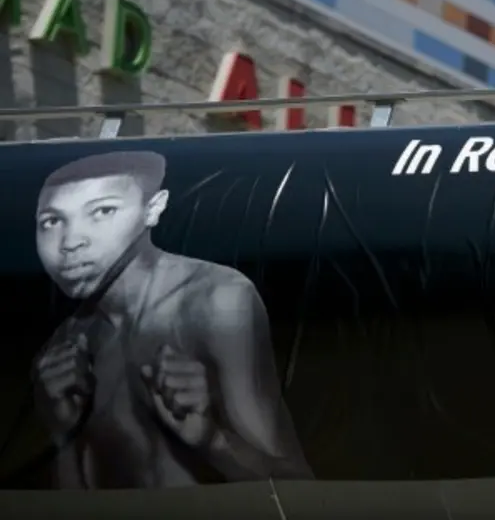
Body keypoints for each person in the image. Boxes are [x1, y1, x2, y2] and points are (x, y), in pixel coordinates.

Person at [30, 151, 313, 489]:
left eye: (103, 211)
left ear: (154, 208)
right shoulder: (64, 348)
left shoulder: (215, 300)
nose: (71, 243)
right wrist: (62, 434)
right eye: (52, 221)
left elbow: (296, 487)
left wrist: (210, 438)